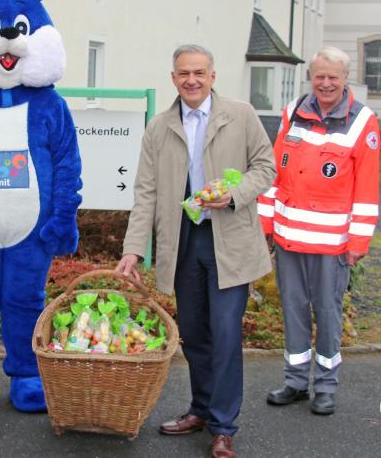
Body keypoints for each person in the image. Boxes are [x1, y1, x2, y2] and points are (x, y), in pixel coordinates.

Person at [116, 44, 275, 458]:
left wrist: (235, 195)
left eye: (199, 73)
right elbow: (145, 193)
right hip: (183, 241)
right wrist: (133, 249)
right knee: (194, 334)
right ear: (173, 78)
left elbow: (266, 167)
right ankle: (201, 408)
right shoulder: (160, 126)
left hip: (229, 241)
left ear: (213, 76)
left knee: (224, 333)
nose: (191, 80)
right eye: (184, 73)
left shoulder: (240, 115)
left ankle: (224, 425)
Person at [257, 46, 380, 416]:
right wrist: (265, 225)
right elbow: (273, 174)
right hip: (289, 237)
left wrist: (358, 241)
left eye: (333, 77)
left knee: (328, 312)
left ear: (345, 79)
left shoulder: (362, 121)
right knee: (293, 308)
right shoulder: (293, 112)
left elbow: (366, 189)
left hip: (332, 245)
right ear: (311, 76)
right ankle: (295, 381)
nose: (326, 84)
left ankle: (325, 384)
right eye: (319, 76)